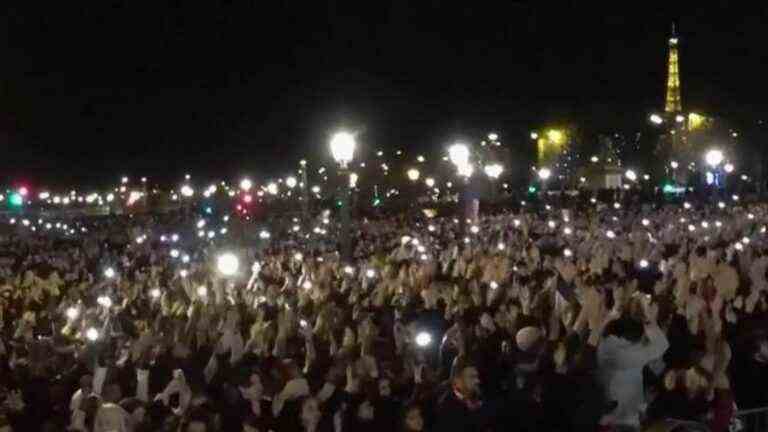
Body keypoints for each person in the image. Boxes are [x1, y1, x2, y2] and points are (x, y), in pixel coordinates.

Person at [598, 302, 669, 430]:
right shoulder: (628, 356)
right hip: (625, 421)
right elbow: (662, 345)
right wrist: (649, 320)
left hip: (607, 418)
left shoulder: (604, 347)